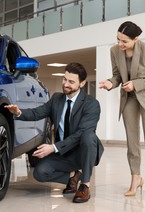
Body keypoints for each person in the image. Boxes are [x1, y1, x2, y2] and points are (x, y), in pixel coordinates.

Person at [5, 62, 103, 203]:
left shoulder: (91, 104)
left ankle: (85, 186)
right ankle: (72, 179)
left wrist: (53, 147)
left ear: (82, 83)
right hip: (64, 154)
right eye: (64, 79)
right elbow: (37, 112)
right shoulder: (57, 99)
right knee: (40, 173)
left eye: (71, 82)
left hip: (83, 152)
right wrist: (19, 112)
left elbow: (81, 133)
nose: (65, 84)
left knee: (88, 136)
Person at [99, 21, 145, 202]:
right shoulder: (114, 51)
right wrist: (110, 83)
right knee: (132, 139)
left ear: (136, 39)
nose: (120, 44)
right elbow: (117, 75)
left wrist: (136, 84)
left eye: (124, 41)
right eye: (118, 39)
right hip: (129, 97)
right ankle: (136, 177)